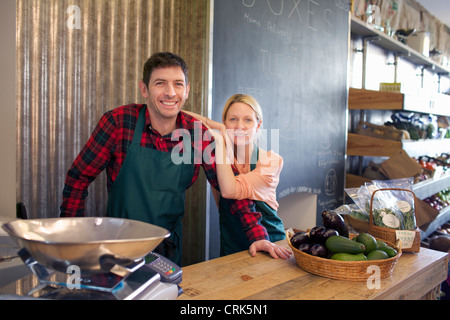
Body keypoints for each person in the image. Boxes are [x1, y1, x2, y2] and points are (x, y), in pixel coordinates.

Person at [60, 52, 290, 265]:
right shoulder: (119, 123)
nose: (170, 92)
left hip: (167, 248)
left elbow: (233, 192)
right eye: (160, 83)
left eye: (178, 84)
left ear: (186, 90)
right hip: (119, 244)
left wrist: (258, 236)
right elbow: (78, 178)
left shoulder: (197, 134)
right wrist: (72, 237)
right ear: (144, 89)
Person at [184, 94, 289, 256]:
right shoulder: (218, 158)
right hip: (232, 246)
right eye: (233, 119)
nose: (240, 126)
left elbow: (229, 191)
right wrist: (214, 125)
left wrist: (219, 135)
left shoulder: (270, 161)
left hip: (271, 244)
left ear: (258, 124)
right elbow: (182, 117)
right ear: (224, 122)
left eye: (248, 120)